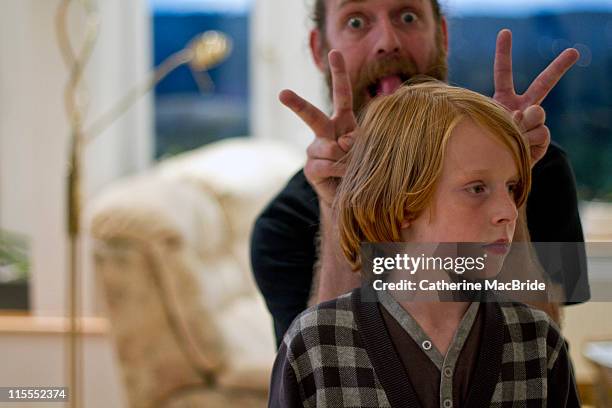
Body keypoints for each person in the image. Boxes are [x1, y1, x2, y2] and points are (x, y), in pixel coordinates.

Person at [251, 0, 589, 346]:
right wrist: (340, 203)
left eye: (408, 16)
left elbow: (537, 358)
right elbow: (321, 376)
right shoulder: (283, 224)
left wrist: (507, 172)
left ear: (441, 35)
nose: (388, 40)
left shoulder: (542, 168)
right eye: (356, 22)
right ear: (319, 48)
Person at [268, 81, 581, 408]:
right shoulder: (314, 346)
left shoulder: (539, 343)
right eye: (477, 189)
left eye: (512, 186)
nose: (508, 210)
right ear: (403, 204)